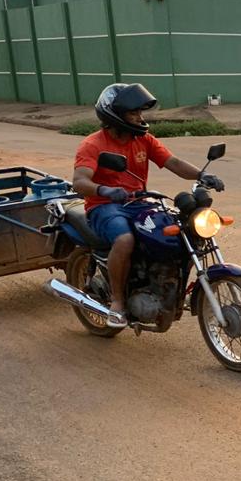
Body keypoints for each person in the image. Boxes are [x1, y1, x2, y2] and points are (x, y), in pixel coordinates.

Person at [71, 83, 224, 327]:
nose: (140, 118)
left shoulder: (144, 139)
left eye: (141, 112)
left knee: (176, 231)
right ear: (115, 115)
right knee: (125, 240)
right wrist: (104, 190)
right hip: (104, 206)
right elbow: (79, 181)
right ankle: (118, 303)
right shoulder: (93, 144)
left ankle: (161, 285)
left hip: (139, 203)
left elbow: (172, 162)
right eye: (134, 113)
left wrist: (200, 175)